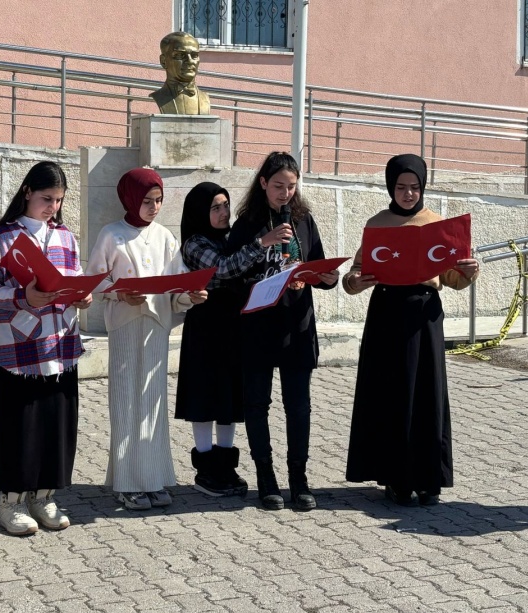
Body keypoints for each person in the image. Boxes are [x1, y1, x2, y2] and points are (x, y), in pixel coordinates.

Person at [343, 154, 479, 507]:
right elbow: (355, 274)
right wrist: (355, 280)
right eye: (401, 187)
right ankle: (396, 479)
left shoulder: (437, 224)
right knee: (392, 393)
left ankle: (429, 478)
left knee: (427, 393)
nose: (408, 194)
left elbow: (452, 278)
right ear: (391, 187)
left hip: (425, 314)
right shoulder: (378, 223)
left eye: (414, 188)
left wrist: (469, 270)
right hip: (387, 313)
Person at [0, 161, 92, 535]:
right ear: (27, 191)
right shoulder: (3, 238)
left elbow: (72, 279)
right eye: (46, 198)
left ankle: (44, 496)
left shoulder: (66, 238)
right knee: (18, 427)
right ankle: (10, 502)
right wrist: (21, 295)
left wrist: (83, 296)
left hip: (60, 347)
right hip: (18, 350)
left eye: (58, 200)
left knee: (56, 426)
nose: (52, 207)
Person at [225, 152, 340, 512]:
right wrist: (265, 242)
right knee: (258, 404)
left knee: (299, 407)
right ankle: (266, 479)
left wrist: (325, 277)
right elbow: (230, 273)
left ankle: (299, 480)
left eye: (291, 186)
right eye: (278, 186)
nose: (285, 193)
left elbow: (317, 264)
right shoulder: (248, 222)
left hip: (297, 325)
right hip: (259, 326)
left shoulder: (304, 220)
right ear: (262, 183)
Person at [86, 168, 206, 510]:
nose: (154, 207)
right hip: (125, 325)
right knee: (126, 401)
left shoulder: (166, 237)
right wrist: (118, 295)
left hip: (156, 325)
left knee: (153, 402)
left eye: (158, 200)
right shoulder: (112, 235)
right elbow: (93, 281)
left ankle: (153, 480)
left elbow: (176, 286)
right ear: (129, 199)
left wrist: (191, 297)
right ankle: (127, 484)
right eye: (146, 201)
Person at [176, 182, 288, 497]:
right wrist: (261, 242)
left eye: (225, 205)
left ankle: (226, 466)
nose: (224, 212)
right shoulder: (194, 243)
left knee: (228, 398)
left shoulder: (230, 237)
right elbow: (225, 269)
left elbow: (248, 271)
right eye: (215, 207)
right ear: (200, 211)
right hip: (206, 329)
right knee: (204, 399)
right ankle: (206, 470)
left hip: (234, 326)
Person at [150, 31, 211, 115]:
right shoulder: (159, 97)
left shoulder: (205, 99)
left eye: (194, 55)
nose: (190, 61)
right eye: (180, 55)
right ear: (163, 61)